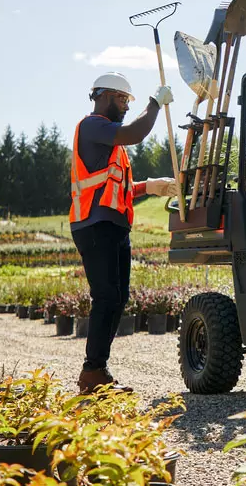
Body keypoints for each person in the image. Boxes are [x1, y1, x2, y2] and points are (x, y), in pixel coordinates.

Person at [70, 71, 177, 394]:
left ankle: (97, 370)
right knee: (106, 297)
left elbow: (120, 189)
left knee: (117, 298)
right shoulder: (92, 126)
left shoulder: (110, 145)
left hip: (114, 224)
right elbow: (135, 132)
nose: (126, 106)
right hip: (93, 224)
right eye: (121, 99)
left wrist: (151, 187)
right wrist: (154, 104)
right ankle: (93, 373)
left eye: (129, 101)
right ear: (101, 96)